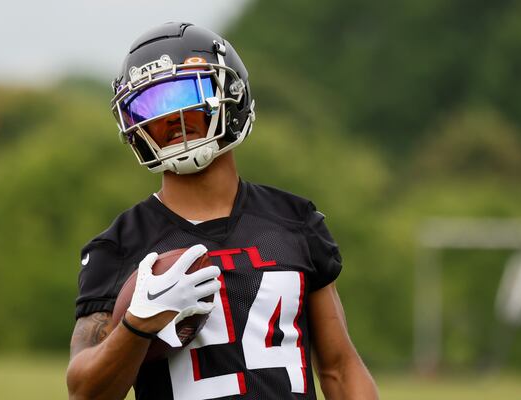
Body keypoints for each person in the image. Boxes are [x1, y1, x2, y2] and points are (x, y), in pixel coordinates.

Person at [66, 22, 378, 400]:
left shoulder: (295, 221)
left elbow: (339, 368)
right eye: (152, 106)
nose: (172, 118)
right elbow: (84, 392)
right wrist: (137, 325)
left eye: (186, 96)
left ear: (229, 94)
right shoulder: (119, 245)